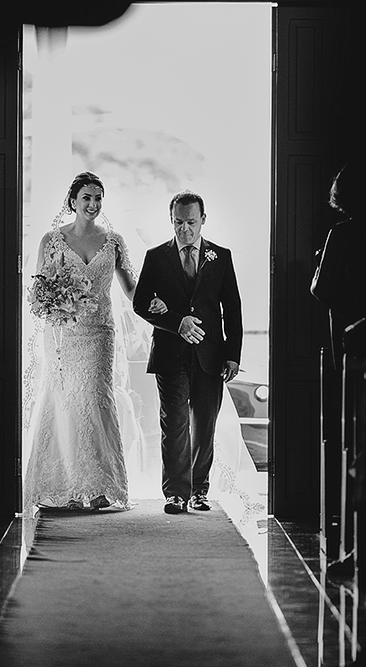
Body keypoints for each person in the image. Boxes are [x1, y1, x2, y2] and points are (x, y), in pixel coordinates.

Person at [22, 172, 166, 512]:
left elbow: (132, 289)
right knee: (63, 403)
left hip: (99, 333)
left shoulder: (113, 241)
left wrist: (156, 305)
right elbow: (41, 289)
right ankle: (64, 486)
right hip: (62, 337)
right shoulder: (52, 240)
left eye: (98, 198)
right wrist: (56, 303)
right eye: (86, 197)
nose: (93, 204)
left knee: (96, 400)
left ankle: (101, 487)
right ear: (73, 201)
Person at [132, 191, 243, 514]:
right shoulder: (156, 257)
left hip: (210, 356)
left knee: (205, 424)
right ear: (171, 220)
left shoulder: (221, 257)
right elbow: (140, 303)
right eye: (178, 223)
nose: (184, 230)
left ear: (203, 220)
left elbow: (232, 309)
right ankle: (176, 494)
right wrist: (175, 322)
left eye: (191, 222)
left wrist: (232, 354)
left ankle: (199, 490)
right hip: (170, 355)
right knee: (175, 424)